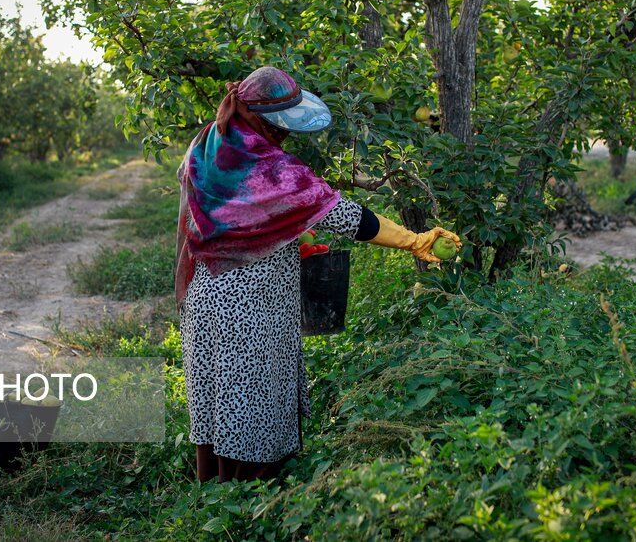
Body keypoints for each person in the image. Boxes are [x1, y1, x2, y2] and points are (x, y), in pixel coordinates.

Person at [175, 66, 461, 482]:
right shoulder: (274, 169)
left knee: (220, 398)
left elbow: (229, 218)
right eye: (278, 123)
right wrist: (414, 240)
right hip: (250, 308)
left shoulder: (206, 144)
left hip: (205, 299)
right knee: (254, 404)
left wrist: (284, 234)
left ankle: (218, 496)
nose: (284, 132)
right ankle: (253, 499)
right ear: (258, 117)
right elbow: (348, 218)